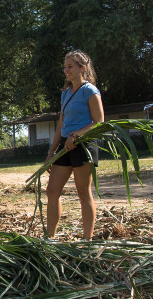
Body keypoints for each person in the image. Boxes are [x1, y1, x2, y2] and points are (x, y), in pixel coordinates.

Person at [45, 49, 104, 240]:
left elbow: (99, 122)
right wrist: (52, 150)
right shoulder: (65, 94)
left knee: (82, 192)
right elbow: (61, 123)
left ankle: (87, 239)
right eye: (65, 66)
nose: (66, 70)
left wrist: (76, 135)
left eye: (70, 66)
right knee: (52, 190)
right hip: (65, 144)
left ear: (82, 68)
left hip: (84, 143)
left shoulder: (90, 91)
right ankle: (50, 237)